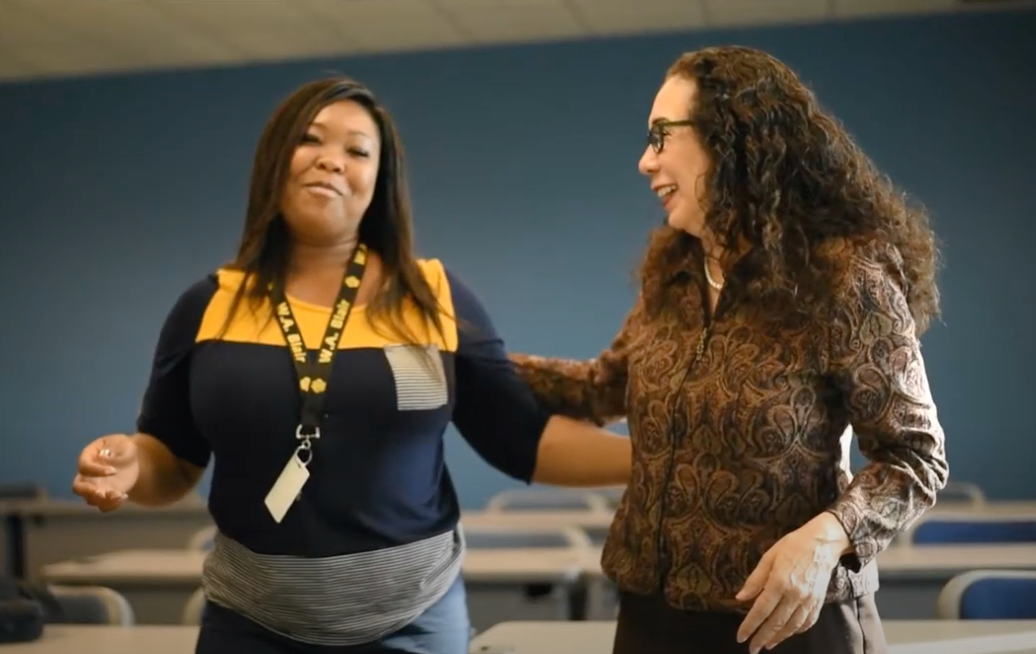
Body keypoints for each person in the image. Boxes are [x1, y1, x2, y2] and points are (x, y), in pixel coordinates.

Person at [70, 77, 631, 654]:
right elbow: (173, 459)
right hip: (249, 625)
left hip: (412, 626)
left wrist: (660, 458)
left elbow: (521, 440)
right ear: (274, 159)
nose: (332, 162)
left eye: (357, 150)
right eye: (311, 140)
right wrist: (130, 464)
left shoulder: (431, 295)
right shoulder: (209, 305)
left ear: (378, 181)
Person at [510, 45, 948, 654]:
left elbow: (916, 459)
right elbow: (599, 389)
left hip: (784, 622)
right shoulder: (674, 272)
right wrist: (466, 356)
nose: (644, 161)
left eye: (661, 136)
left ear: (735, 138)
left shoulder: (843, 277)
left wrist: (827, 536)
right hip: (651, 617)